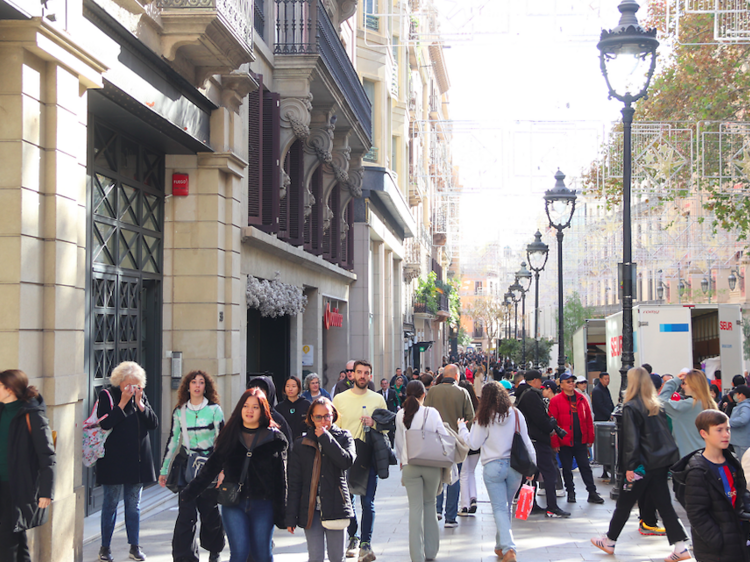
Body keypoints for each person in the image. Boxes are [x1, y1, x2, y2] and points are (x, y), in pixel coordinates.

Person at [590, 367, 690, 562]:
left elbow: (631, 441)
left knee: (625, 503)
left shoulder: (631, 407)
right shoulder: (656, 405)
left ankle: (610, 540)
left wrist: (630, 467)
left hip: (641, 465)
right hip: (659, 463)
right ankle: (680, 546)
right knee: (664, 505)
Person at [181, 388, 288, 562]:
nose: (250, 411)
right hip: (233, 504)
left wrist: (283, 513)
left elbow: (281, 480)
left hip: (263, 505)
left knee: (262, 554)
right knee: (239, 553)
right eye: (246, 406)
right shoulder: (229, 436)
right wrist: (189, 492)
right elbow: (211, 468)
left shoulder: (275, 439)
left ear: (263, 410)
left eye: (255, 407)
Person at [458, 382, 535, 562]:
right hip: (515, 467)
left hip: (493, 466)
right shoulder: (516, 414)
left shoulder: (484, 417)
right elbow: (527, 442)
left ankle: (509, 548)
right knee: (505, 507)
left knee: (500, 508)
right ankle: (501, 546)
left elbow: (474, 444)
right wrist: (533, 466)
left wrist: (462, 428)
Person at [158, 370, 225, 562]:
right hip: (186, 468)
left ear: (206, 386)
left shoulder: (214, 410)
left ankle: (214, 551)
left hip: (209, 468)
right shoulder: (180, 411)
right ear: (187, 386)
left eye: (201, 382)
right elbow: (173, 440)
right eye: (194, 382)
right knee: (186, 515)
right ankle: (185, 557)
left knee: (210, 512)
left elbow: (222, 442)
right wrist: (164, 470)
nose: (197, 386)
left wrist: (222, 470)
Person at [96, 361, 159, 562]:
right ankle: (105, 548)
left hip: (137, 460)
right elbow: (105, 424)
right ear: (119, 382)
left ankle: (134, 546)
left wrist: (140, 404)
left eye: (136, 385)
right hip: (113, 461)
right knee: (110, 504)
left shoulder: (140, 397)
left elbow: (153, 423)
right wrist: (122, 404)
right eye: (129, 385)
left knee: (134, 506)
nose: (132, 389)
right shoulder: (107, 396)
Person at [673, 410, 750, 562]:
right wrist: (717, 540)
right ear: (704, 433)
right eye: (719, 430)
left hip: (739, 539)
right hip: (716, 549)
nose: (726, 435)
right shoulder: (698, 470)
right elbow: (697, 513)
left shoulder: (732, 460)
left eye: (727, 429)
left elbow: (741, 493)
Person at [286, 397, 355, 562]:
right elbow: (294, 483)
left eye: (327, 416)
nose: (323, 420)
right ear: (311, 418)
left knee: (336, 558)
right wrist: (290, 516)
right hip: (311, 509)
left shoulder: (344, 437)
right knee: (315, 557)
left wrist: (326, 438)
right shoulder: (301, 444)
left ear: (333, 416)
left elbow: (345, 461)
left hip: (336, 504)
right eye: (318, 417)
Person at [332, 360, 387, 562]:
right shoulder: (339, 399)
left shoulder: (378, 399)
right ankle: (353, 536)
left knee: (368, 501)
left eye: (366, 373)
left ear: (370, 376)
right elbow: (333, 429)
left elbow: (387, 427)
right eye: (359, 372)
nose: (363, 376)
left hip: (369, 455)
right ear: (352, 375)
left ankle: (366, 542)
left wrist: (375, 423)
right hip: (347, 456)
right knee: (348, 500)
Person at [0, 369, 55, 562]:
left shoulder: (32, 415)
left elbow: (47, 455)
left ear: (9, 389)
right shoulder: (2, 410)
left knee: (6, 542)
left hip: (17, 487)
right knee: (16, 539)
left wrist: (46, 492)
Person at [394, 381, 449, 562]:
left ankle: (416, 555)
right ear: (423, 394)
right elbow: (443, 436)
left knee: (415, 509)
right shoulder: (431, 413)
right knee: (430, 505)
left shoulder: (401, 414)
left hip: (410, 466)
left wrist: (404, 462)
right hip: (431, 465)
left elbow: (399, 443)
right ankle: (431, 551)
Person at [424, 364, 475, 528]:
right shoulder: (462, 392)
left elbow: (424, 413)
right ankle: (450, 517)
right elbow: (471, 417)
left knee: (437, 477)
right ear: (456, 376)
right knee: (454, 477)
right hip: (455, 441)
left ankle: (437, 510)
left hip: (435, 440)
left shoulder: (432, 391)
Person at [514, 369, 570, 518]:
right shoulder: (531, 396)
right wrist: (550, 423)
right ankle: (552, 507)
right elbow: (539, 420)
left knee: (532, 472)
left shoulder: (523, 394)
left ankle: (532, 504)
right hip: (537, 440)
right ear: (534, 381)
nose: (542, 384)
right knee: (550, 472)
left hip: (529, 439)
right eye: (540, 380)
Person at [549, 372, 605, 505]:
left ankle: (592, 492)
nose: (571, 384)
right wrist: (555, 442)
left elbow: (588, 421)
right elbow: (552, 422)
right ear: (561, 384)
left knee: (585, 467)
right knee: (567, 469)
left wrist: (590, 438)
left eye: (572, 381)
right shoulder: (556, 401)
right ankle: (571, 493)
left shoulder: (581, 398)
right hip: (564, 441)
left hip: (580, 440)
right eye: (568, 382)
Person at [659, 369, 718, 457]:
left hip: (690, 456)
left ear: (694, 386)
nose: (682, 386)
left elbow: (660, 401)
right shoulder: (710, 404)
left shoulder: (688, 406)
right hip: (708, 453)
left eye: (685, 383)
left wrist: (674, 381)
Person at [457, 380, 481, 517]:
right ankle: (473, 498)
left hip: (464, 441)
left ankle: (464, 505)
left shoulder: (461, 405)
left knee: (463, 474)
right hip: (476, 444)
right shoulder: (478, 404)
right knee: (471, 472)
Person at [591, 372, 615, 479]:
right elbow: (599, 405)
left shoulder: (605, 389)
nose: (607, 380)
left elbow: (609, 402)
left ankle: (608, 468)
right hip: (602, 419)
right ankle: (606, 468)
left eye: (608, 378)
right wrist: (609, 414)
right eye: (605, 378)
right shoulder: (597, 391)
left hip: (607, 418)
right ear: (600, 379)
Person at [277, 376, 312, 442]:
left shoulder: (306, 404)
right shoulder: (279, 407)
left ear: (299, 388)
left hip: (303, 442)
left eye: (293, 386)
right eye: (288, 386)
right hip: (285, 441)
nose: (290, 389)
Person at [729, 384, 750, 460]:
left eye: (736, 394)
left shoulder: (745, 406)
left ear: (741, 395)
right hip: (739, 441)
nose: (735, 396)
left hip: (743, 442)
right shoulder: (742, 406)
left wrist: (729, 422)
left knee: (744, 464)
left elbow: (743, 419)